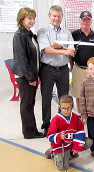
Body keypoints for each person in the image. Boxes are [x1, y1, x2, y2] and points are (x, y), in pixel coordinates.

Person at [37, 5, 75, 136]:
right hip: (47, 69)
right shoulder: (42, 31)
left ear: (62, 17)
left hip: (63, 70)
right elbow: (47, 49)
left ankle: (63, 124)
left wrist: (59, 46)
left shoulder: (67, 33)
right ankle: (47, 126)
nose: (56, 18)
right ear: (49, 16)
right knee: (46, 98)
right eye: (54, 16)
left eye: (59, 16)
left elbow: (72, 50)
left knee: (64, 98)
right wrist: (64, 50)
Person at [12, 7, 43, 139]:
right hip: (25, 77)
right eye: (29, 18)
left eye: (33, 18)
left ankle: (31, 130)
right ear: (22, 19)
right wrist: (30, 78)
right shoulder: (19, 35)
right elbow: (21, 59)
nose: (32, 21)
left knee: (30, 103)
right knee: (26, 104)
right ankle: (29, 132)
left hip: (32, 75)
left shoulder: (29, 34)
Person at [71, 11, 94, 113]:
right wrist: (71, 66)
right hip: (78, 68)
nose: (85, 22)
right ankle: (82, 115)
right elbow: (70, 53)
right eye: (83, 19)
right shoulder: (74, 35)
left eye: (88, 20)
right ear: (80, 21)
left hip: (93, 71)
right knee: (79, 94)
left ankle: (91, 115)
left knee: (93, 94)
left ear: (91, 21)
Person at [46, 95, 92, 171]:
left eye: (68, 108)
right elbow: (50, 136)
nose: (66, 111)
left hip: (71, 143)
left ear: (72, 107)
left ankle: (70, 153)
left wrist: (77, 147)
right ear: (60, 107)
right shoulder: (56, 119)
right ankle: (52, 152)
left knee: (89, 142)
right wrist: (59, 136)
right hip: (61, 146)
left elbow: (80, 131)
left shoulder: (75, 117)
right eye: (63, 108)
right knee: (62, 167)